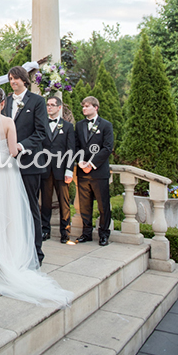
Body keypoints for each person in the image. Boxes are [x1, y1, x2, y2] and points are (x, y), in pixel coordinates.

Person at [0, 87, 72, 307]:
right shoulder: (8, 122)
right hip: (3, 170)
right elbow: (13, 150)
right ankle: (5, 256)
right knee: (6, 210)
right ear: (2, 103)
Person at [3, 66, 47, 265]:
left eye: (17, 78)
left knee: (30, 207)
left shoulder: (37, 101)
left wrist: (20, 146)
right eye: (11, 79)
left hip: (29, 163)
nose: (13, 82)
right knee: (11, 206)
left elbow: (41, 132)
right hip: (6, 164)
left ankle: (36, 252)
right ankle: (15, 250)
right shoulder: (6, 102)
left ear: (25, 80)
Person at [74, 96, 113, 246]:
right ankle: (86, 233)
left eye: (87, 106)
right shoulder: (79, 125)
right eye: (83, 106)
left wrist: (92, 163)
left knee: (103, 206)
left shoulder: (106, 125)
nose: (84, 109)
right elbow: (76, 146)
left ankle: (104, 234)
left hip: (99, 172)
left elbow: (107, 147)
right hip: (83, 172)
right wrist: (81, 161)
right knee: (84, 205)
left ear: (96, 107)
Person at [40, 96, 75, 244]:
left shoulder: (67, 127)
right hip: (45, 169)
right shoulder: (41, 124)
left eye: (52, 105)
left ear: (59, 107)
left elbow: (71, 149)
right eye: (48, 105)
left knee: (64, 202)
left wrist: (69, 170)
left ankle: (65, 232)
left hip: (62, 170)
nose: (49, 107)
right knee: (46, 202)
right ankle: (45, 230)